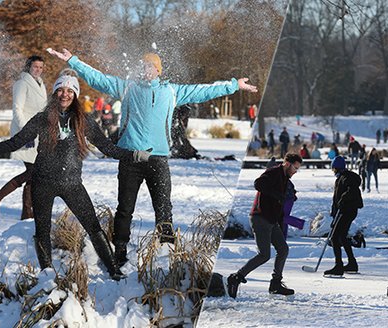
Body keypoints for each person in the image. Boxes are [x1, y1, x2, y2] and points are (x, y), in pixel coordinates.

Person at [48, 48, 258, 266]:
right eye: (144, 66)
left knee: (164, 206)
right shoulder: (127, 88)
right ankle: (120, 248)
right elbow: (98, 79)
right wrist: (74, 61)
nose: (147, 70)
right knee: (125, 207)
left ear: (158, 70)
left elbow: (203, 91)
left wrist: (234, 85)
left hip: (158, 158)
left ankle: (166, 247)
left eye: (151, 66)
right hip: (130, 157)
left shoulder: (172, 91)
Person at [0, 71, 151, 280]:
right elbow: (15, 142)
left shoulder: (83, 120)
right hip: (42, 183)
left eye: (69, 91)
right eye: (60, 90)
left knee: (93, 227)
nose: (64, 94)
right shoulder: (42, 119)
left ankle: (114, 270)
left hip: (72, 184)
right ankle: (47, 277)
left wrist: (134, 155)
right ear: (54, 93)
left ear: (75, 94)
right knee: (42, 231)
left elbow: (107, 148)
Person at [226, 153, 303, 298]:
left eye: (297, 169)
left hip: (271, 220)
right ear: (287, 164)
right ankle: (236, 277)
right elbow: (258, 184)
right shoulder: (274, 172)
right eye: (295, 168)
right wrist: (277, 195)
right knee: (264, 254)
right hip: (260, 217)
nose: (295, 171)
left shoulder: (285, 178)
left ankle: (275, 284)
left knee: (283, 249)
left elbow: (279, 204)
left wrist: (280, 220)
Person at [0, 56, 47, 219]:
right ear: (28, 66)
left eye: (41, 67)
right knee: (33, 171)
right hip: (26, 132)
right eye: (35, 66)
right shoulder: (22, 83)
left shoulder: (41, 84)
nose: (38, 70)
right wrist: (26, 133)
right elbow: (17, 109)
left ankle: (26, 212)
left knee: (33, 173)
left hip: (37, 133)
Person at [324, 156, 363, 276]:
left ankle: (339, 266)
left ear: (336, 168)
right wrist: (334, 212)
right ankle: (352, 263)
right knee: (342, 236)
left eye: (333, 169)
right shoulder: (343, 177)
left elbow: (351, 191)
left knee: (335, 238)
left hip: (347, 211)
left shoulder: (346, 178)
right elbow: (336, 198)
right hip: (345, 211)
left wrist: (343, 199)